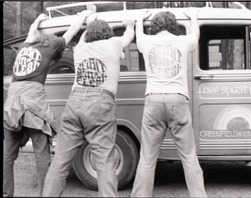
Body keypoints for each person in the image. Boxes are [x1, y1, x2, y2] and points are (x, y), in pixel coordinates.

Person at [42, 12, 135, 197]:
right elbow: (128, 37)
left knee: (60, 161)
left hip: (75, 101)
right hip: (100, 102)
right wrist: (130, 25)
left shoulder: (79, 49)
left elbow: (84, 36)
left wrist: (88, 18)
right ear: (108, 33)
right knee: (104, 163)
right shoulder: (113, 43)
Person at [3, 10, 93, 197]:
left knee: (7, 156)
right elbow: (72, 31)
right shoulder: (52, 45)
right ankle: (45, 195)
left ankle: (6, 194)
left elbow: (31, 30)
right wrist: (84, 15)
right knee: (42, 155)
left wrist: (37, 20)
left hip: (12, 102)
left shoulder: (25, 45)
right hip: (33, 103)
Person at [130, 9, 207, 197]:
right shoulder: (183, 41)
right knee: (189, 156)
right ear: (174, 26)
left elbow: (138, 33)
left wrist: (140, 18)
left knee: (147, 158)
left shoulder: (146, 41)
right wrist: (194, 16)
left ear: (154, 26)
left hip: (154, 100)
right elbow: (195, 35)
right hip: (178, 99)